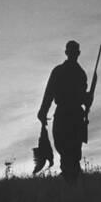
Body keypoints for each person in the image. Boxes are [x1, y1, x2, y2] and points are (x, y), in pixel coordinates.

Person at [37, 41, 91, 183]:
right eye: (71, 51)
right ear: (67, 53)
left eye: (74, 52)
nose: (73, 54)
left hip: (71, 117)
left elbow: (82, 97)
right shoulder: (69, 72)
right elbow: (49, 94)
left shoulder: (79, 74)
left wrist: (87, 98)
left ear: (76, 53)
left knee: (71, 153)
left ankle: (70, 185)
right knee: (67, 151)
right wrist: (43, 111)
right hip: (67, 116)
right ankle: (71, 184)